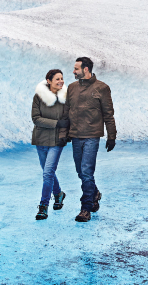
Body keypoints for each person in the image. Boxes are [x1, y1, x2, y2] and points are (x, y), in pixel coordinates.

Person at [60, 56, 116, 223]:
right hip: (76, 136)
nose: (73, 71)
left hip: (92, 136)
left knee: (86, 171)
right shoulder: (71, 88)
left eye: (76, 68)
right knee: (80, 172)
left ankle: (86, 208)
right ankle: (95, 193)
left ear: (85, 69)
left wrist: (111, 135)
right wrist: (64, 134)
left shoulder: (102, 88)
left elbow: (108, 114)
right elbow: (66, 112)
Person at [31, 68, 70, 220]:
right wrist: (56, 123)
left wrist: (66, 133)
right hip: (40, 139)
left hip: (56, 141)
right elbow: (36, 118)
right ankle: (59, 194)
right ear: (49, 81)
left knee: (47, 173)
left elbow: (69, 119)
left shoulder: (65, 98)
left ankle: (43, 206)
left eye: (62, 78)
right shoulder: (38, 96)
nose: (61, 81)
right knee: (49, 172)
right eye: (57, 79)